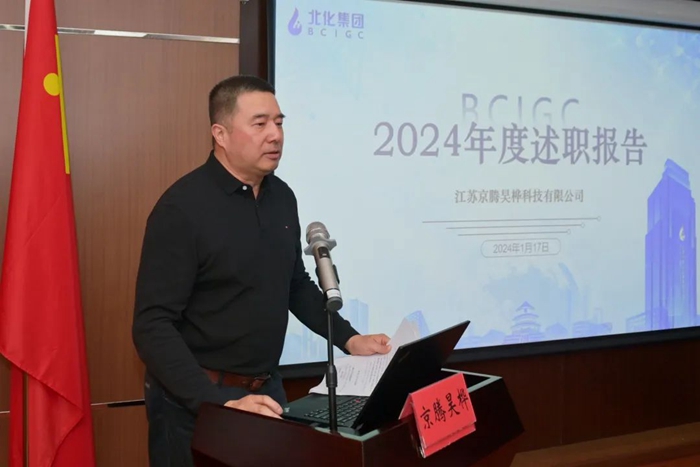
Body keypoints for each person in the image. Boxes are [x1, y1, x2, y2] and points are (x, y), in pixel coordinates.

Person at [132, 75, 391, 467]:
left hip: (267, 391)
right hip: (196, 401)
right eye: (260, 124)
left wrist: (350, 340)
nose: (275, 135)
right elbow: (151, 326)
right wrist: (216, 401)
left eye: (279, 122)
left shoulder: (281, 197)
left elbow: (295, 284)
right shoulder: (181, 209)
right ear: (220, 134)